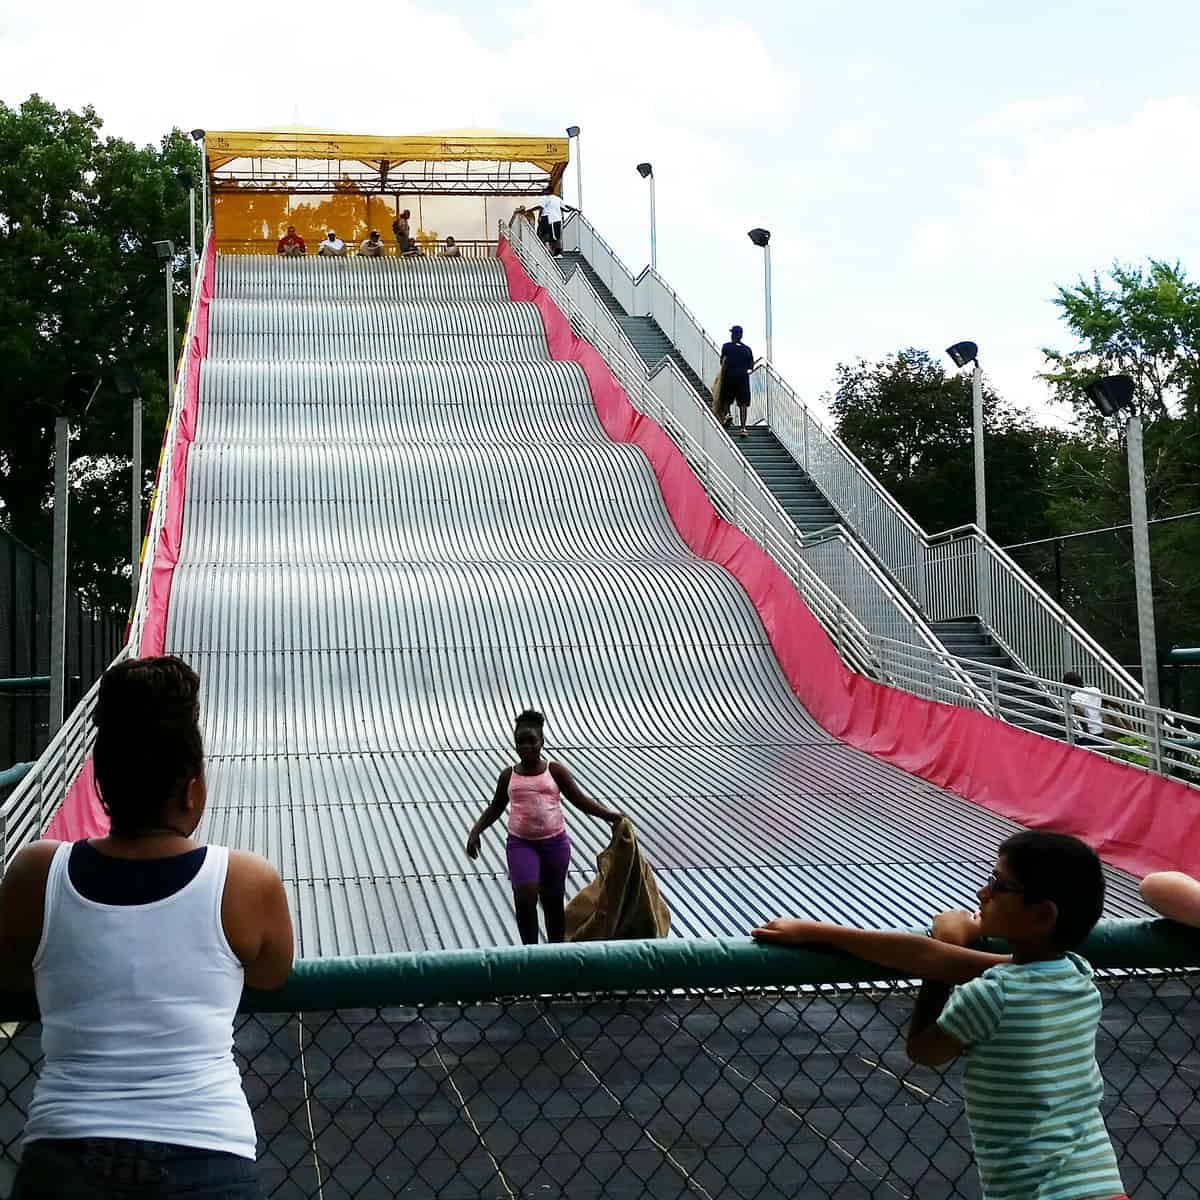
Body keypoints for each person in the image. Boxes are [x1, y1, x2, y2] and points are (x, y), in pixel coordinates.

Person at [0, 656, 294, 1199]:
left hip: (64, 1156)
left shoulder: (36, 874)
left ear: (101, 783)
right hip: (206, 1154)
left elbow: (12, 975)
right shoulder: (247, 883)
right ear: (192, 789)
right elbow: (271, 973)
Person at [753, 831, 1127, 1200]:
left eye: (1000, 885)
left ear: (1043, 914)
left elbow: (924, 1050)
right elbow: (948, 959)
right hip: (1102, 1185)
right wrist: (945, 948)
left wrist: (941, 954)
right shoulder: (1078, 976)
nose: (984, 893)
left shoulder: (991, 996)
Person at [465, 709, 623, 945]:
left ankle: (556, 953)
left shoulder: (555, 771)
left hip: (554, 844)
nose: (526, 746)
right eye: (520, 742)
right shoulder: (508, 776)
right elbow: (495, 807)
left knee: (553, 901)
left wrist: (612, 816)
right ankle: (530, 955)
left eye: (531, 740)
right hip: (521, 844)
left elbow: (580, 800)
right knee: (525, 897)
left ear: (542, 741)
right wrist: (475, 831)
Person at [719, 326, 755, 437]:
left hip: (729, 376)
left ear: (733, 335)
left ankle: (728, 415)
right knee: (743, 403)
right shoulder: (747, 349)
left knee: (726, 398)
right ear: (741, 335)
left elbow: (722, 361)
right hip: (743, 378)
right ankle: (743, 428)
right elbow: (751, 366)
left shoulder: (726, 347)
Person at [1065, 670, 1103, 741]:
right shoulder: (1095, 690)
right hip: (1100, 729)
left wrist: (1086, 732)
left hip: (1088, 732)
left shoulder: (1074, 697)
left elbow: (1080, 712)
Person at [535, 190, 565, 255]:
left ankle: (555, 252)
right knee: (554, 236)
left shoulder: (546, 198)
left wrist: (539, 217)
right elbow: (564, 207)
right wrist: (573, 209)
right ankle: (553, 251)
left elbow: (541, 207)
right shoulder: (557, 198)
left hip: (550, 219)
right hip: (556, 219)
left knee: (550, 236)